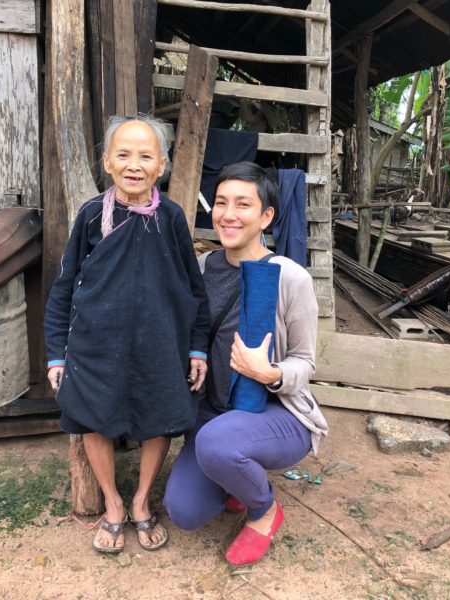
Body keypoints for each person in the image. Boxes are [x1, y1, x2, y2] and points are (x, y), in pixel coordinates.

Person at [44, 115, 210, 554]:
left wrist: (196, 346)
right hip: (95, 346)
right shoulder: (89, 216)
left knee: (158, 419)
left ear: (161, 165)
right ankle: (113, 505)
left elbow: (194, 289)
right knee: (93, 419)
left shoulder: (172, 218)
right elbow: (63, 288)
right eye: (123, 154)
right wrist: (57, 355)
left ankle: (140, 503)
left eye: (145, 156)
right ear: (107, 163)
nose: (133, 164)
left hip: (159, 345)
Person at [163, 161, 328, 567]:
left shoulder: (290, 278)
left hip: (278, 414)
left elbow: (305, 362)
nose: (229, 214)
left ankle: (264, 509)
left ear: (266, 216)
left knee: (220, 444)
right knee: (185, 511)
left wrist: (269, 374)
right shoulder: (202, 269)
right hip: (214, 413)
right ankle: (232, 474)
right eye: (221, 203)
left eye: (243, 204)